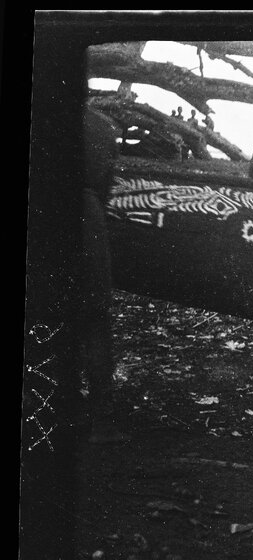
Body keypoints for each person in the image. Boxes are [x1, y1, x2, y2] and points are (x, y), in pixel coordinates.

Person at [81, 108, 130, 444]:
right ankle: (102, 424)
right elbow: (106, 186)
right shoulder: (100, 126)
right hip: (87, 218)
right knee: (95, 323)